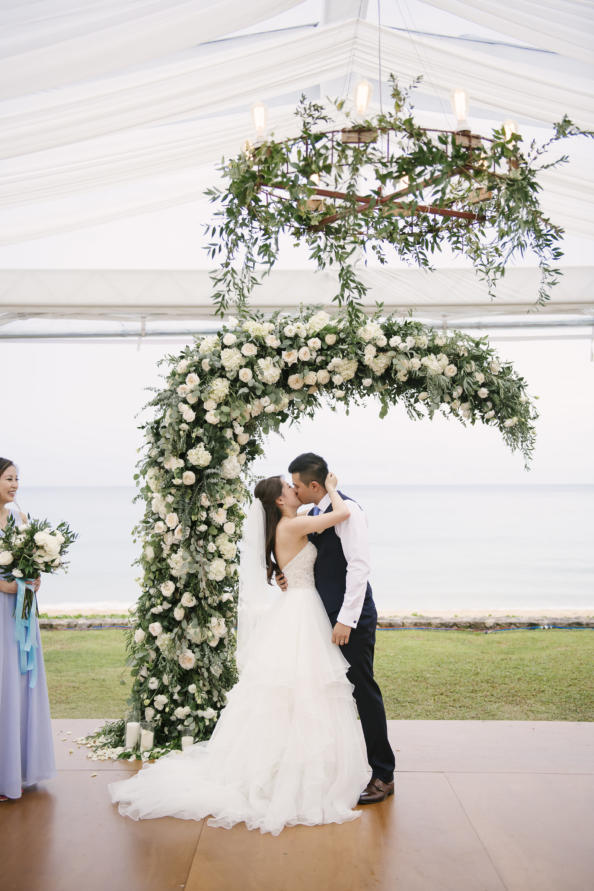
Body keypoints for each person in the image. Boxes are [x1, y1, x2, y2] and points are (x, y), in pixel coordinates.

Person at [109, 473, 371, 835]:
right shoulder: (292, 526)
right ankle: (297, 774)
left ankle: (292, 765)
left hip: (296, 608)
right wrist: (330, 487)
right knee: (303, 690)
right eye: (289, 488)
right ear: (279, 501)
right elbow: (341, 515)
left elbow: (297, 560)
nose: (295, 490)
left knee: (294, 693)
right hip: (302, 614)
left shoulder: (287, 525)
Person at [286, 453, 395, 805]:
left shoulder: (351, 511)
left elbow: (359, 567)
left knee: (363, 689)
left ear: (314, 485)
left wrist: (346, 619)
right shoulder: (311, 515)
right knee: (330, 692)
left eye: (297, 485)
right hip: (322, 618)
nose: (295, 490)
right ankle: (339, 766)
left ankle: (383, 773)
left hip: (351, 619)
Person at [0, 457, 56, 802]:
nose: (15, 484)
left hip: (21, 608)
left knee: (23, 679)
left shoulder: (21, 519)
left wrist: (35, 580)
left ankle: (20, 768)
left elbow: (33, 564)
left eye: (17, 479)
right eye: (8, 478)